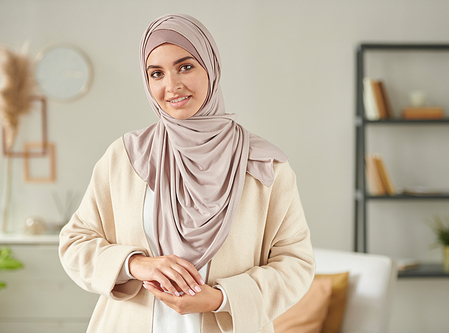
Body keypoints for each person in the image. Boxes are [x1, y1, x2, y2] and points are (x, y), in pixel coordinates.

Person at [59, 13, 314, 333]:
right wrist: (135, 263)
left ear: (211, 67)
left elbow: (296, 264)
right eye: (156, 73)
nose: (172, 85)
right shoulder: (127, 156)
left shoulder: (263, 164)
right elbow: (75, 241)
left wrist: (220, 299)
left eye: (186, 66)